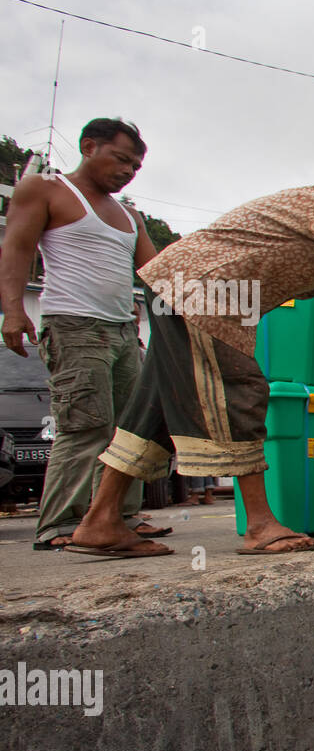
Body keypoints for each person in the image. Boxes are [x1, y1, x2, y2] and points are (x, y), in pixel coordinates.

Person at [65, 141, 314, 558]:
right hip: (206, 293)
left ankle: (101, 521)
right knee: (242, 390)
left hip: (194, 288)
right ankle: (260, 526)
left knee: (151, 411)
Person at [0, 117, 171, 550]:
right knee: (85, 426)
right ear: (89, 146)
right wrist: (13, 310)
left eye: (135, 167)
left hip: (122, 331)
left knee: (132, 429)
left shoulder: (130, 216)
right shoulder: (45, 190)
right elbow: (17, 248)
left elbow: (156, 273)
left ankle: (119, 517)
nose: (128, 171)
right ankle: (60, 523)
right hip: (73, 324)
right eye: (121, 159)